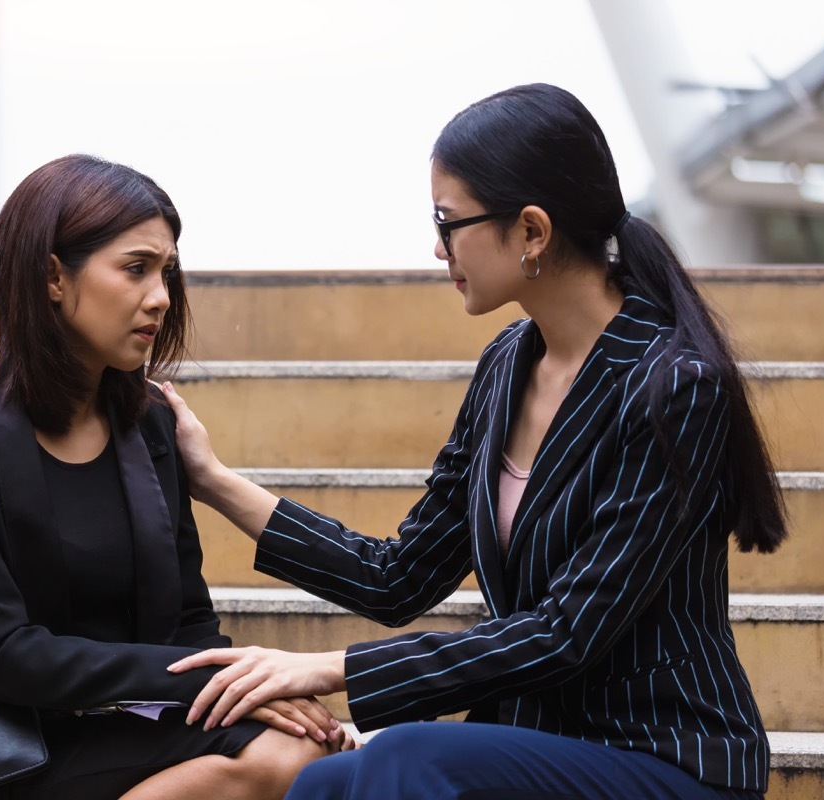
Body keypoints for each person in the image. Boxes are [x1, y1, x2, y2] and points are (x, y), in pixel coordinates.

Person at [160, 84, 785, 799]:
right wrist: (212, 480)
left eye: (449, 221)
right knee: (324, 784)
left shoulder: (675, 387)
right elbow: (397, 577)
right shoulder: (506, 366)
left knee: (408, 758)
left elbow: (568, 631)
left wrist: (333, 669)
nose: (438, 247)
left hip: (665, 754)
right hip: (534, 742)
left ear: (532, 232)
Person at [0, 155, 349, 800]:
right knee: (283, 753)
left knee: (304, 747)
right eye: (136, 268)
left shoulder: (151, 424)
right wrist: (212, 679)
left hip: (119, 728)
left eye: (167, 272)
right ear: (54, 276)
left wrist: (237, 687)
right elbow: (3, 656)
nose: (161, 297)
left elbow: (188, 619)